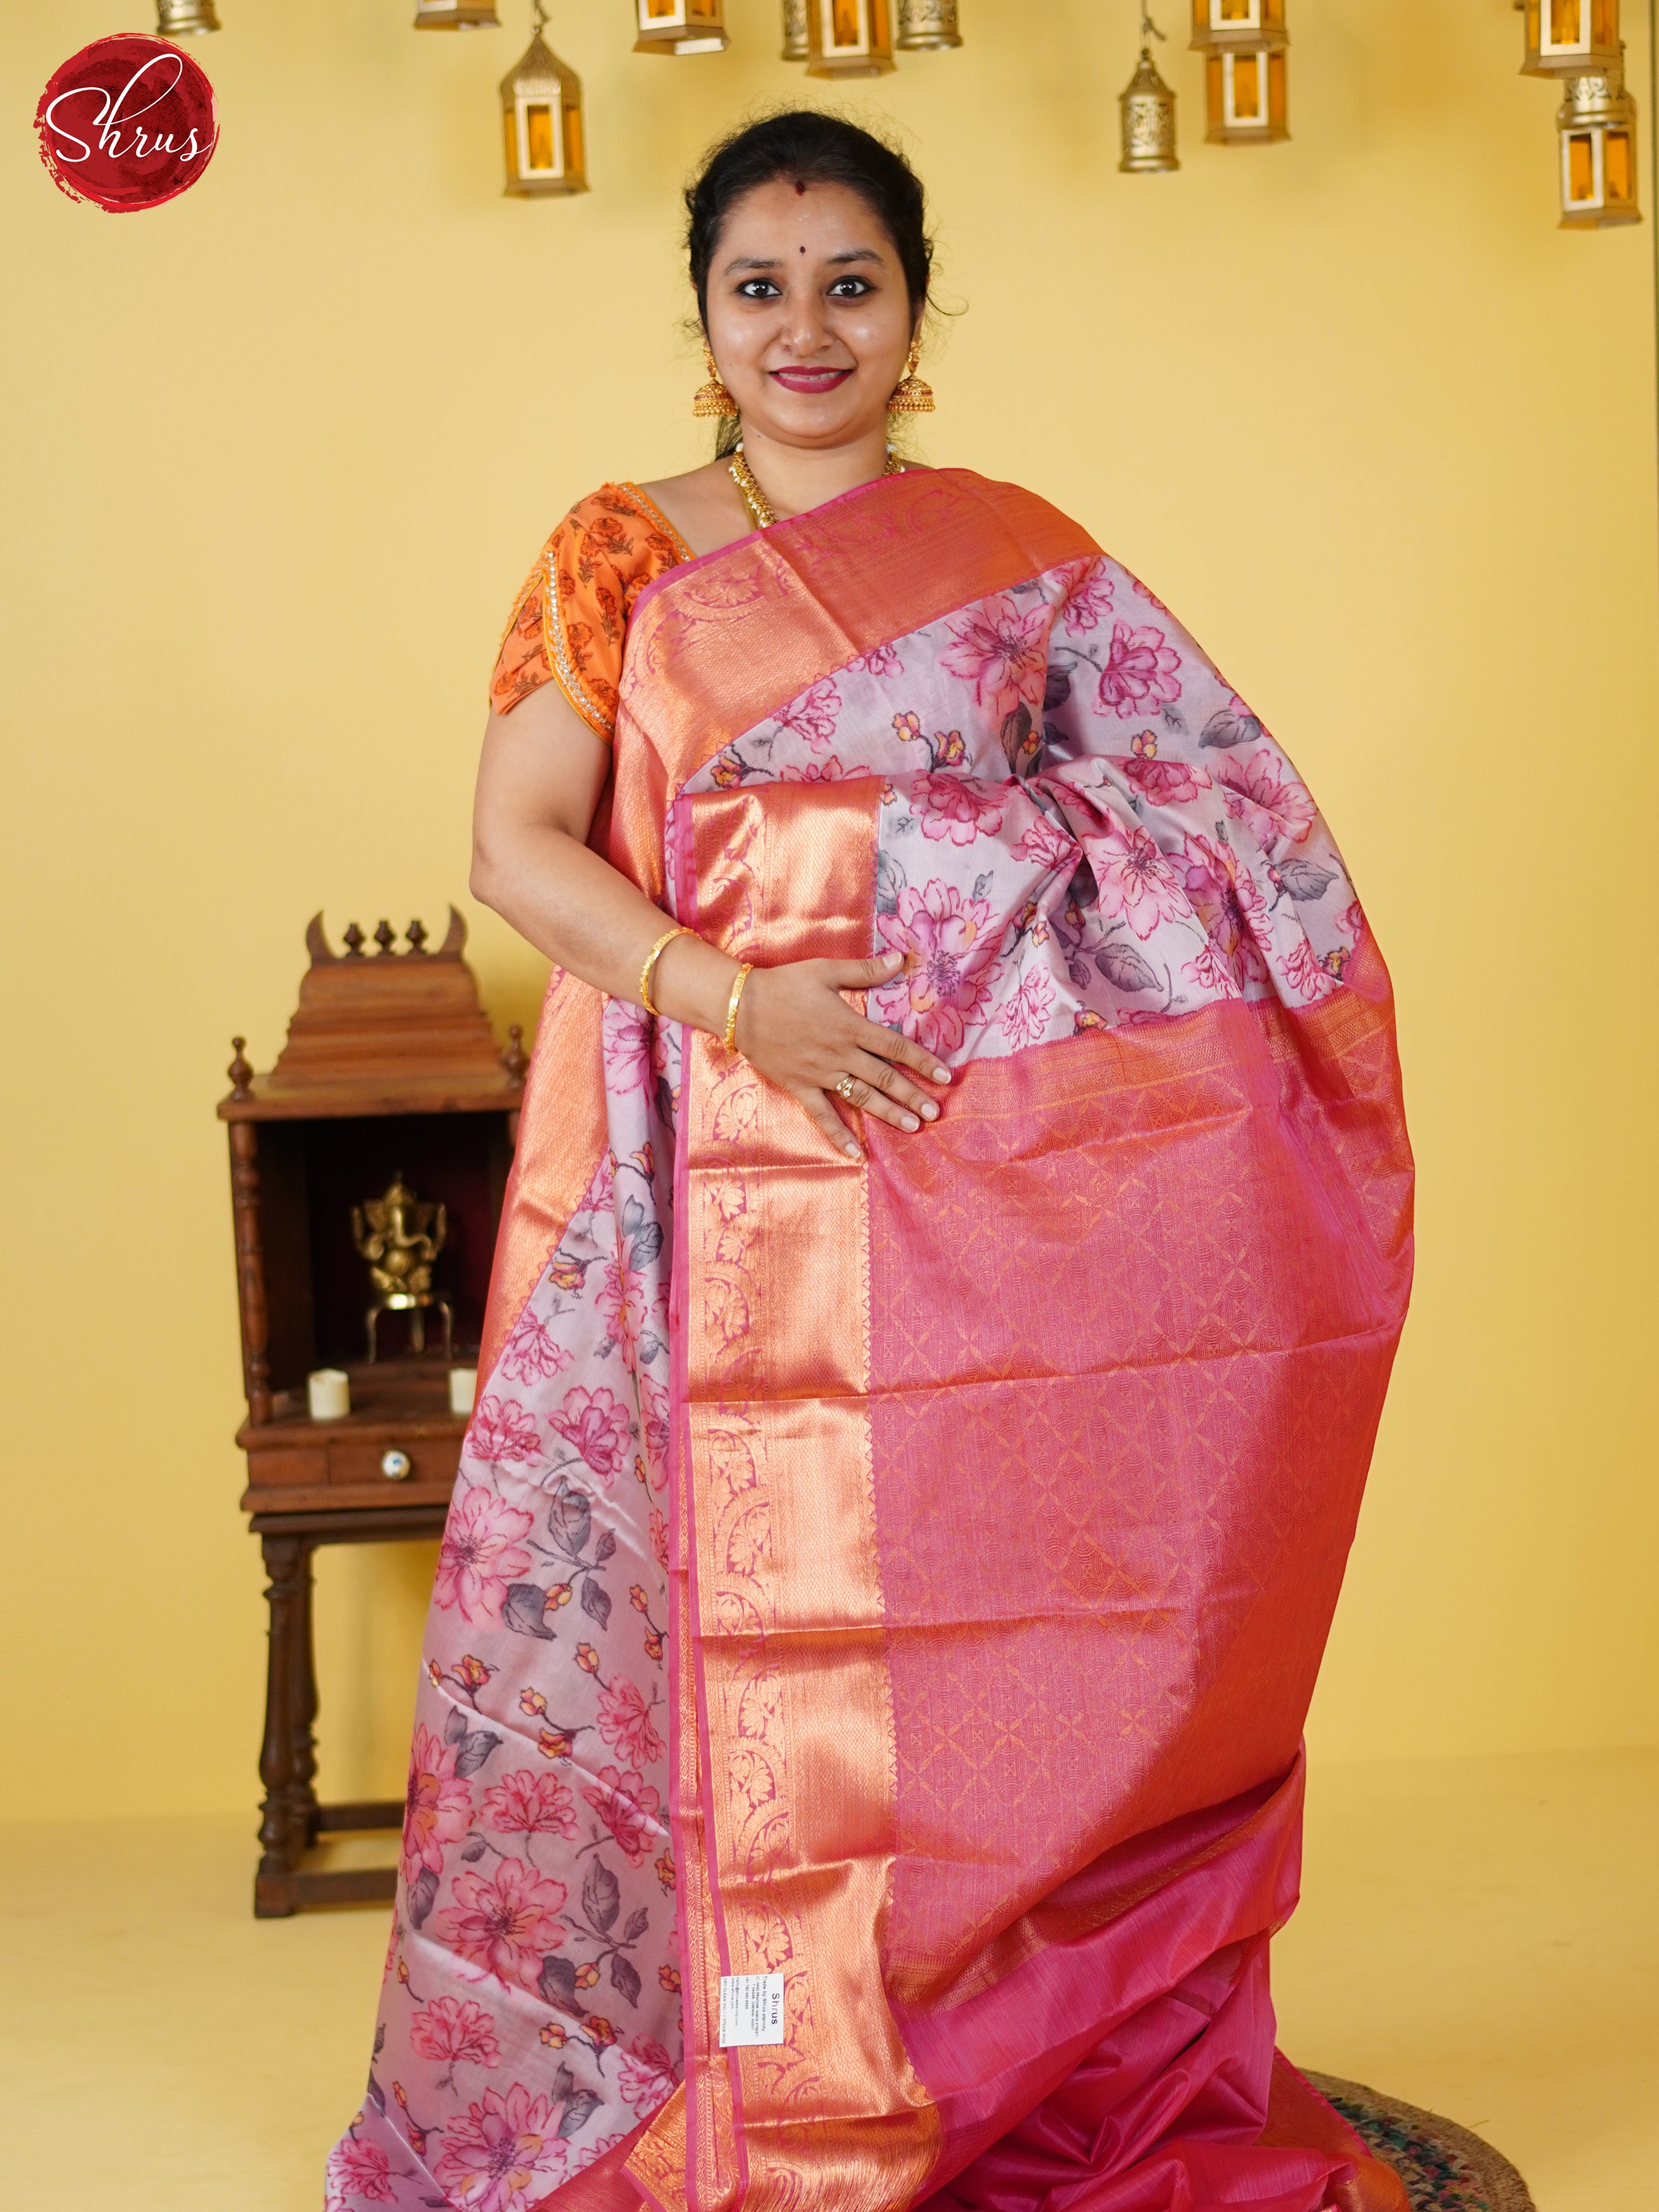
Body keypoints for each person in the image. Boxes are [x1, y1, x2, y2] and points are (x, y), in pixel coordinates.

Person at [328, 110, 1414, 2212]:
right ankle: (727, 2068)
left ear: (919, 310)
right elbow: (515, 849)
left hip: (961, 1211)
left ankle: (949, 2040)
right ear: (704, 316)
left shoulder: (1021, 559)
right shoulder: (619, 554)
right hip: (682, 1180)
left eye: (853, 285)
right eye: (762, 288)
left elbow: (1232, 831)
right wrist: (749, 998)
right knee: (695, 1632)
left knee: (976, 1647)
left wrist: (912, 873)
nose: (806, 329)